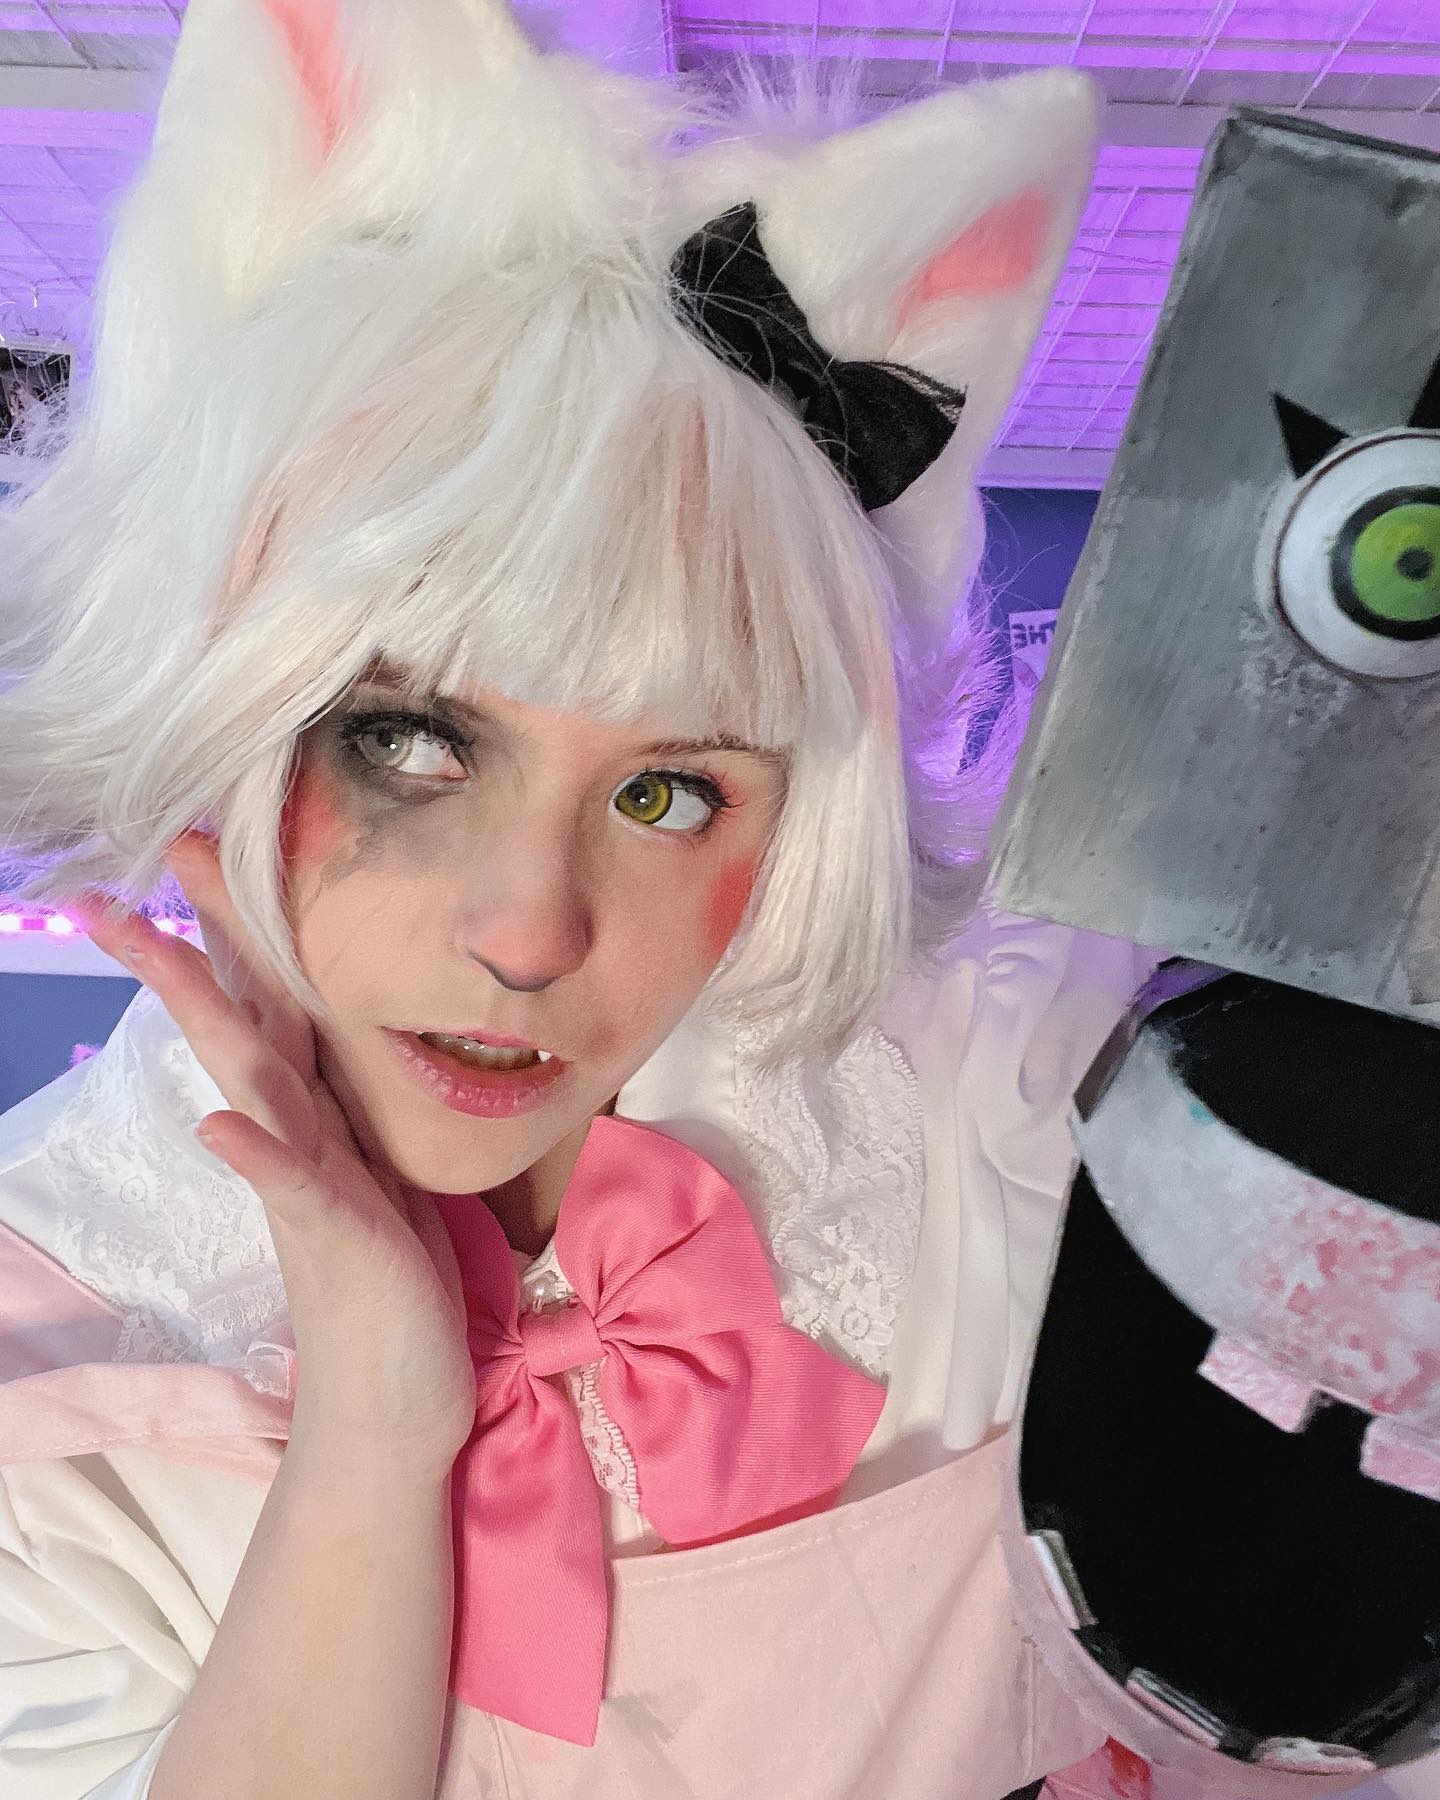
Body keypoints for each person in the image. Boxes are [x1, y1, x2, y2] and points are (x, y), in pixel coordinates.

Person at [0, 3, 1386, 1798]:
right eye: (407, 741)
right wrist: (368, 1445)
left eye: (666, 793)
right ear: (212, 697)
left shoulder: (1026, 1097)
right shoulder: (47, 1340)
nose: (530, 935)